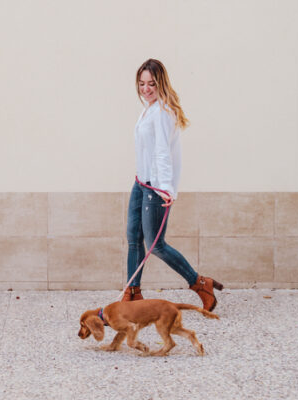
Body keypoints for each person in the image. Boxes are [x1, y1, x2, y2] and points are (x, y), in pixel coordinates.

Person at [124, 58, 223, 311]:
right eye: (142, 83)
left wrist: (166, 188)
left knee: (156, 245)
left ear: (161, 83)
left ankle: (199, 283)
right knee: (134, 239)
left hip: (155, 187)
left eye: (151, 84)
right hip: (141, 183)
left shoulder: (163, 111)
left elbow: (162, 153)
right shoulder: (148, 108)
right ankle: (132, 295)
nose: (146, 89)